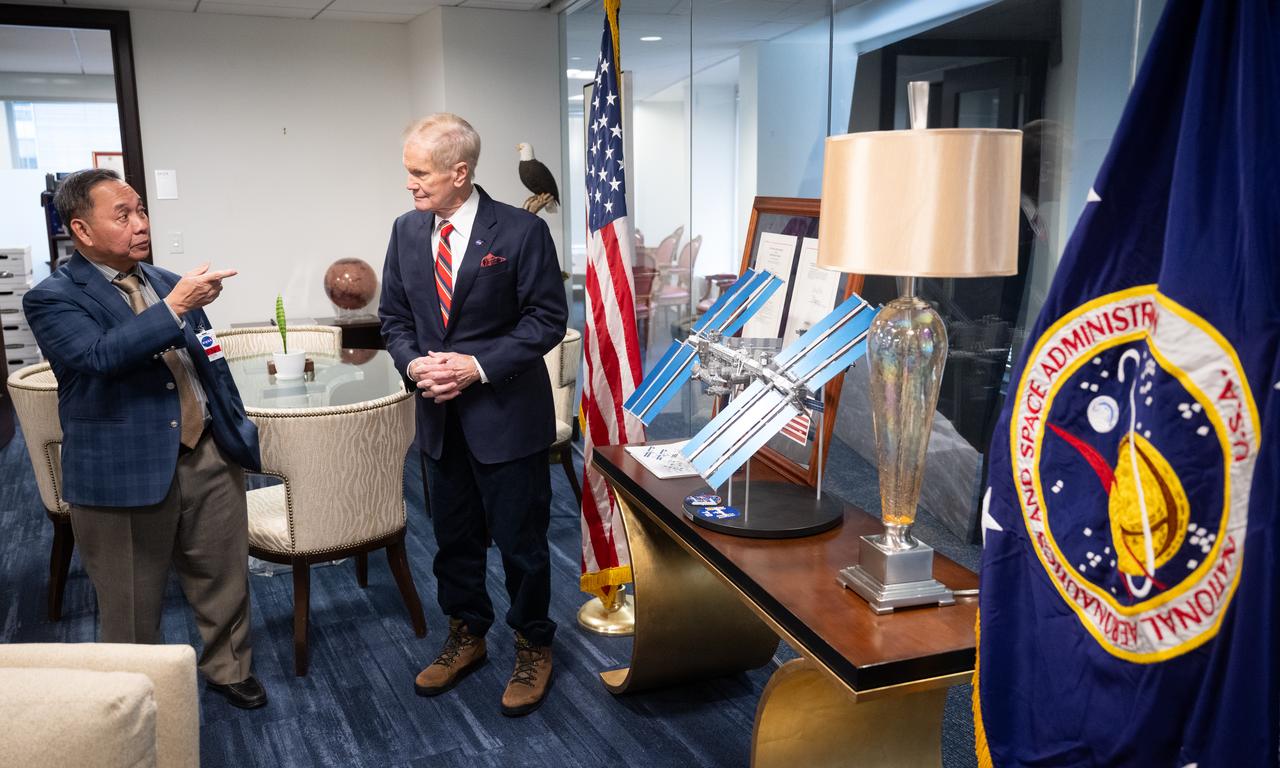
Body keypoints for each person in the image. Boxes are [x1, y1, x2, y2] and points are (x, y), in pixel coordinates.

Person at [23, 168, 267, 710]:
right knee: (130, 599)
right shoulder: (51, 298)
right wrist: (174, 307)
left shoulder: (163, 280)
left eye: (141, 210)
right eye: (123, 215)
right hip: (123, 467)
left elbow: (207, 359)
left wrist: (232, 427)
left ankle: (230, 668)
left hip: (206, 450)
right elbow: (98, 357)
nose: (141, 224)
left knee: (224, 576)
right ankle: (134, 693)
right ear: (82, 230)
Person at [379, 113, 567, 717]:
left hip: (507, 417)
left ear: (459, 173)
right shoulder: (406, 231)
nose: (409, 183)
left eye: (420, 173)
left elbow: (546, 320)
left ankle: (533, 643)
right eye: (408, 171)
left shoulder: (521, 231)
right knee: (453, 541)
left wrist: (475, 367)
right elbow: (394, 318)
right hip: (439, 421)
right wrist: (416, 365)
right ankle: (467, 634)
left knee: (521, 544)